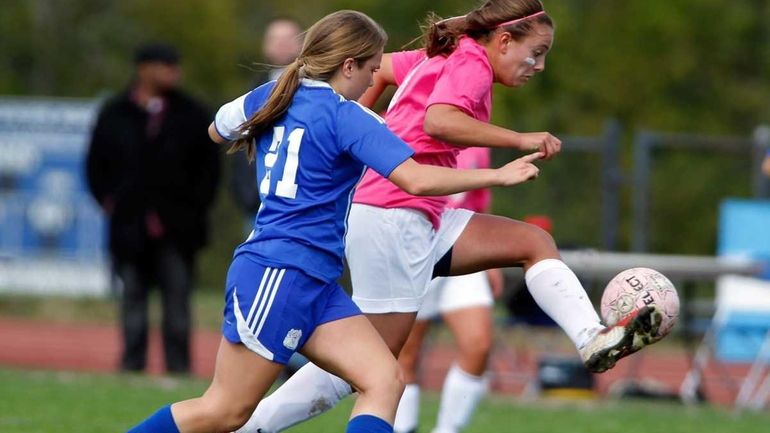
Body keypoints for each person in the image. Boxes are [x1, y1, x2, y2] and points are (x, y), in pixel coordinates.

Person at [238, 2, 664, 433]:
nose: (539, 65)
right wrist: (518, 139)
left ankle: (592, 338)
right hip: (391, 214)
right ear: (502, 41)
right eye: (535, 52)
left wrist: (354, 131)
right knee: (377, 365)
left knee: (533, 243)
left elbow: (380, 69)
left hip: (417, 215)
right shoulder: (471, 64)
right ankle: (251, 426)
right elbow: (440, 120)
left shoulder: (445, 55)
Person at [125, 10, 543, 433]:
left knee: (384, 380)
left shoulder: (272, 95)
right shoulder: (348, 117)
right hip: (279, 272)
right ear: (349, 66)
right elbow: (415, 178)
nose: (374, 78)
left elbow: (218, 131)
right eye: (372, 67)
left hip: (315, 280)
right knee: (224, 411)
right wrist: (496, 174)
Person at [85, 42, 221, 374]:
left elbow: (210, 170)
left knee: (177, 301)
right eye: (165, 65)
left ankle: (179, 368)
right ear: (144, 69)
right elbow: (95, 165)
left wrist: (193, 208)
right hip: (129, 225)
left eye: (175, 66)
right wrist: (109, 201)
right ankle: (132, 365)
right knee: (132, 298)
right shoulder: (115, 112)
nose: (173, 72)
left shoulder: (192, 113)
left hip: (178, 228)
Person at [393, 147, 503, 433]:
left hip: (460, 246)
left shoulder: (479, 141)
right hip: (414, 244)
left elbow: (478, 201)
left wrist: (489, 260)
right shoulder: (408, 120)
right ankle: (405, 428)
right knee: (406, 353)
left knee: (478, 345)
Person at [230, 17, 304, 218]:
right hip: (257, 201)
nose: (281, 44)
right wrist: (245, 194)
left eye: (288, 38)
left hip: (300, 202)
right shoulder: (253, 90)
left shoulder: (313, 90)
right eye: (275, 38)